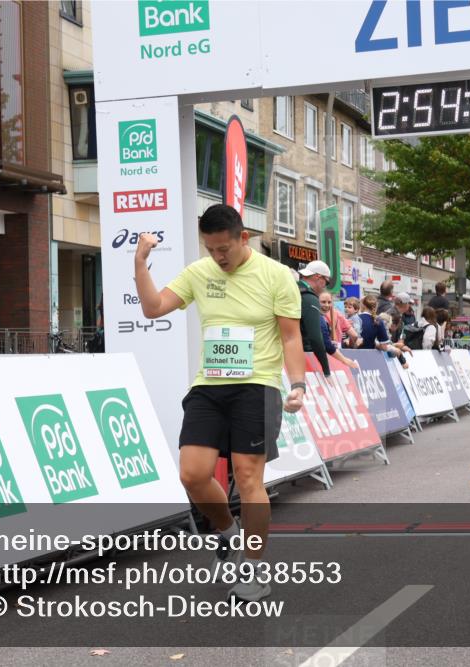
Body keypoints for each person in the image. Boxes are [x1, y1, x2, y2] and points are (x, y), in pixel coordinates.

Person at [133, 204, 307, 603]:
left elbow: (291, 337)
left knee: (248, 479)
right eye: (210, 250)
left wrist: (297, 384)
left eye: (224, 249)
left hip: (258, 385)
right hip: (210, 386)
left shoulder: (277, 275)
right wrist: (141, 263)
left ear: (243, 238)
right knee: (192, 474)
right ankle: (228, 534)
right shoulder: (200, 272)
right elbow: (153, 308)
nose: (218, 257)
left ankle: (255, 568)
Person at [297, 261, 334, 377]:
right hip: (298, 356)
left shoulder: (292, 288)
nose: (324, 287)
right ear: (318, 277)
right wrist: (326, 370)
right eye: (326, 282)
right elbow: (315, 338)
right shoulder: (309, 298)